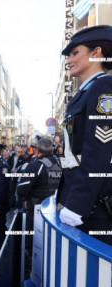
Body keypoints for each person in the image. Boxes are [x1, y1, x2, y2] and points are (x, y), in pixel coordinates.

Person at [57, 25, 112, 245]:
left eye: (75, 52)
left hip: (93, 205)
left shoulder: (104, 86)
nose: (68, 59)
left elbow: (99, 152)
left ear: (96, 53)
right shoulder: (84, 93)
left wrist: (76, 205)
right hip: (80, 196)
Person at [17, 138, 62, 275]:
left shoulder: (36, 165)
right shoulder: (62, 163)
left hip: (36, 210)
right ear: (52, 149)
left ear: (36, 150)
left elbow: (21, 190)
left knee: (33, 241)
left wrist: (25, 197)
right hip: (56, 210)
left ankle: (30, 270)